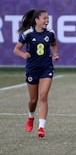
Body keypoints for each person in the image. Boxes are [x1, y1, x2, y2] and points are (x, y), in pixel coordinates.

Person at [13, 9, 59, 138]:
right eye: (44, 18)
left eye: (47, 18)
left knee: (43, 96)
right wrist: (23, 54)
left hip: (47, 68)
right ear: (36, 20)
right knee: (33, 100)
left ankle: (41, 127)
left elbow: (54, 44)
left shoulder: (50, 33)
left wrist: (55, 54)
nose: (47, 21)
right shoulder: (28, 34)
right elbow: (16, 50)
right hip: (32, 69)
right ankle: (30, 117)